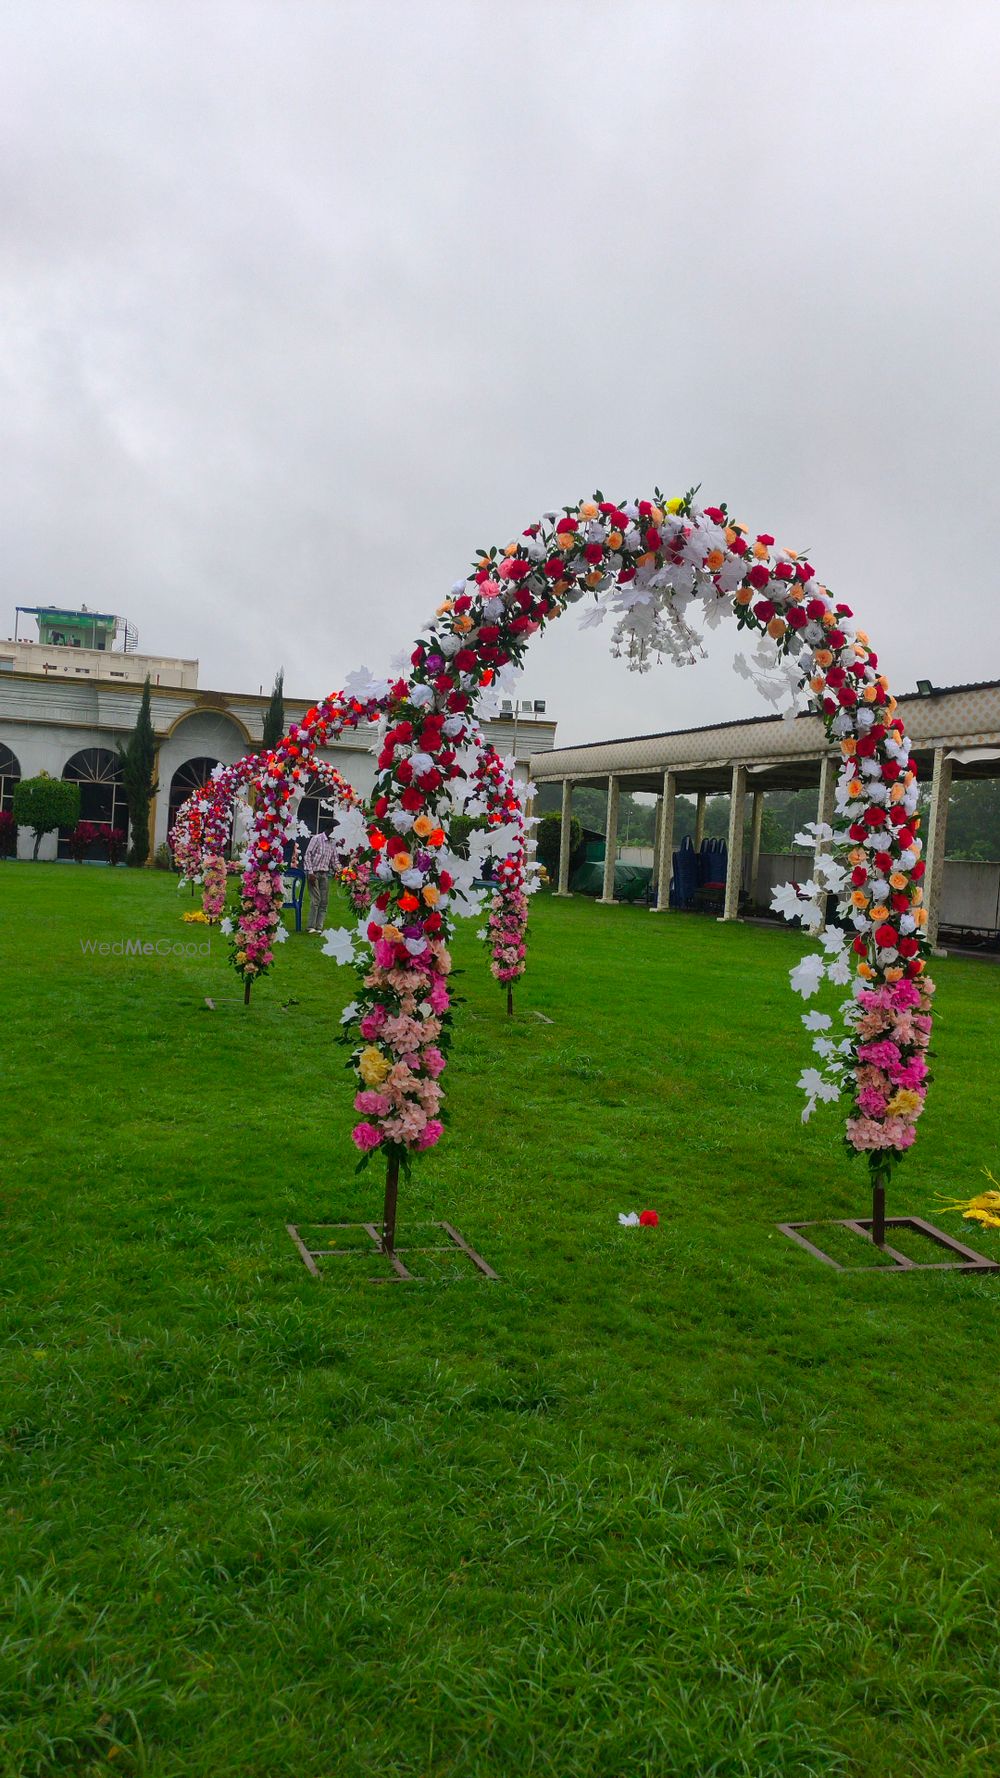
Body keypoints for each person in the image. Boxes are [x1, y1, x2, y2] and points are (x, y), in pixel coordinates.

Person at [304, 827, 337, 932]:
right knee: (316, 900)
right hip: (314, 873)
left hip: (325, 874)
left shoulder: (332, 843)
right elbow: (307, 855)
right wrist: (310, 872)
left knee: (324, 901)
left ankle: (319, 927)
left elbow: (334, 860)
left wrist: (342, 872)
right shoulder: (317, 838)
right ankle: (311, 926)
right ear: (330, 829)